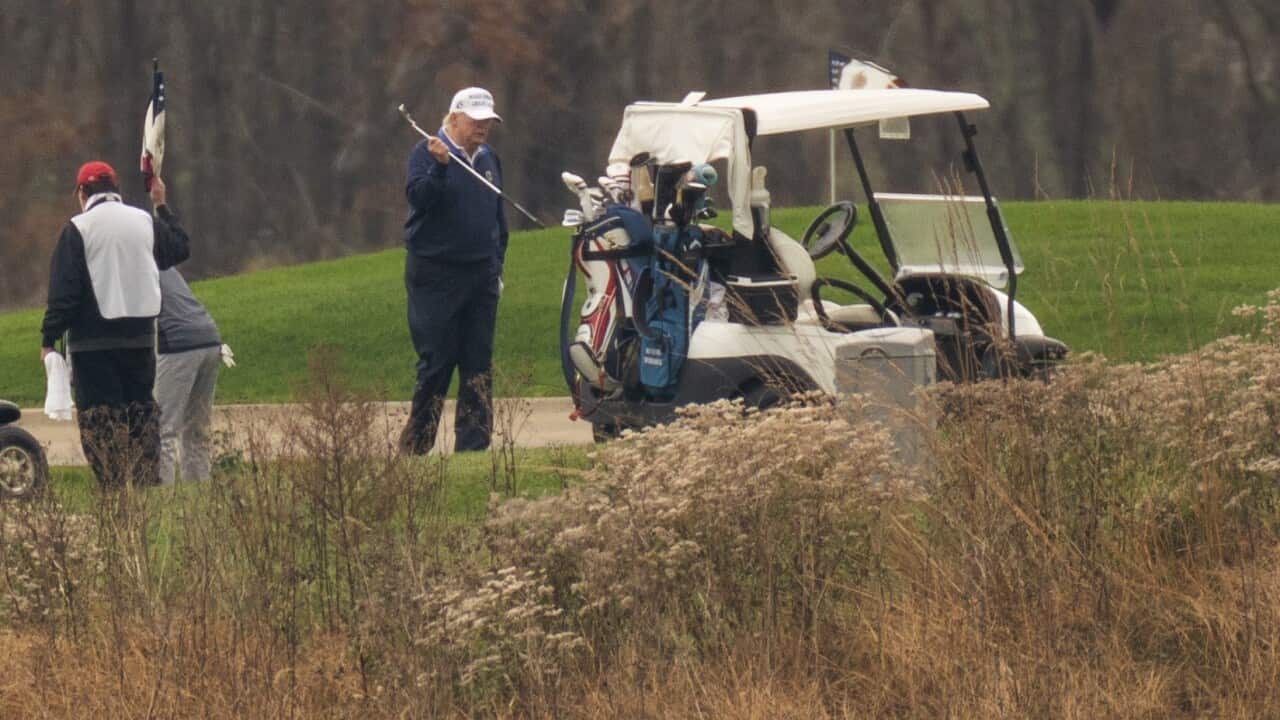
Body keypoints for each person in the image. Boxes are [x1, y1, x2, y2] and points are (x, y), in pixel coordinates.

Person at [40, 161, 190, 488]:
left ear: (82, 192)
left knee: (101, 427)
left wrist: (49, 340)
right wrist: (161, 204)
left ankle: (115, 502)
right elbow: (179, 248)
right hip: (139, 343)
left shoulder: (77, 229)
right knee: (140, 420)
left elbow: (64, 294)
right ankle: (145, 496)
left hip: (92, 347)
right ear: (116, 189)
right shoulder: (144, 221)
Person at [399, 87, 508, 454]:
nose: (483, 127)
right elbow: (419, 198)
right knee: (438, 361)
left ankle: (473, 447)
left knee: (478, 361)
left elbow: (497, 220)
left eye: (487, 121)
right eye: (476, 120)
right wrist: (441, 168)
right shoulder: (426, 153)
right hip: (435, 274)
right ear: (455, 118)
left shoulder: (489, 158)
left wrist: (497, 266)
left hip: (481, 274)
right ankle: (416, 446)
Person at [154, 268, 224, 484]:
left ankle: (160, 500)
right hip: (210, 339)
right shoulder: (167, 266)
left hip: (177, 344)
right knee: (196, 429)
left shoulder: (138, 267)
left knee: (161, 430)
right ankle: (198, 493)